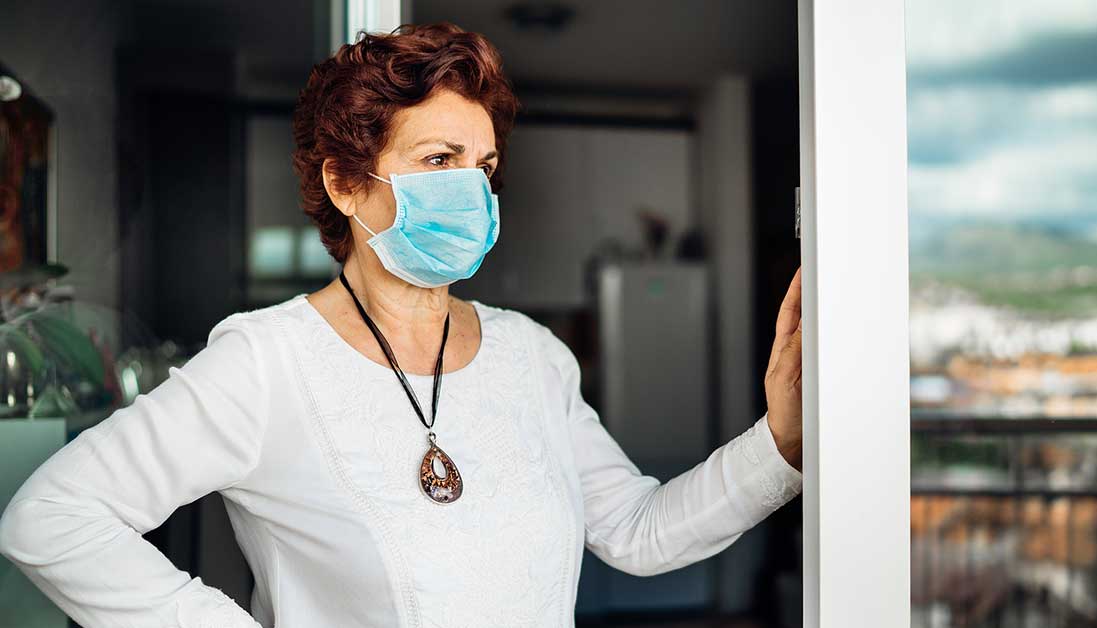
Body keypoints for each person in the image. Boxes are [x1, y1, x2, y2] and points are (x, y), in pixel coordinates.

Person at [0, 21, 804, 628]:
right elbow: (53, 520)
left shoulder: (535, 359)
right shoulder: (266, 361)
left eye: (484, 167)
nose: (474, 191)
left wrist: (780, 445)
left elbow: (636, 531)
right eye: (438, 160)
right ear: (348, 184)